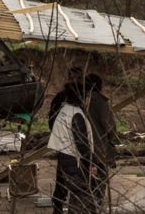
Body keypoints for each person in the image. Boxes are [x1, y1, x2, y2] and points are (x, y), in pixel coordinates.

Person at [48, 83, 95, 214]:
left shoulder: (64, 110)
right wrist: (91, 162)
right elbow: (82, 143)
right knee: (79, 199)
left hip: (64, 156)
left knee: (67, 192)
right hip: (76, 160)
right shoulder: (76, 114)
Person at [84, 73, 118, 211]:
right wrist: (113, 138)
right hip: (99, 150)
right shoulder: (100, 102)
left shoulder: (82, 100)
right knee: (99, 185)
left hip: (84, 149)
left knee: (88, 184)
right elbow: (108, 125)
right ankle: (96, 208)